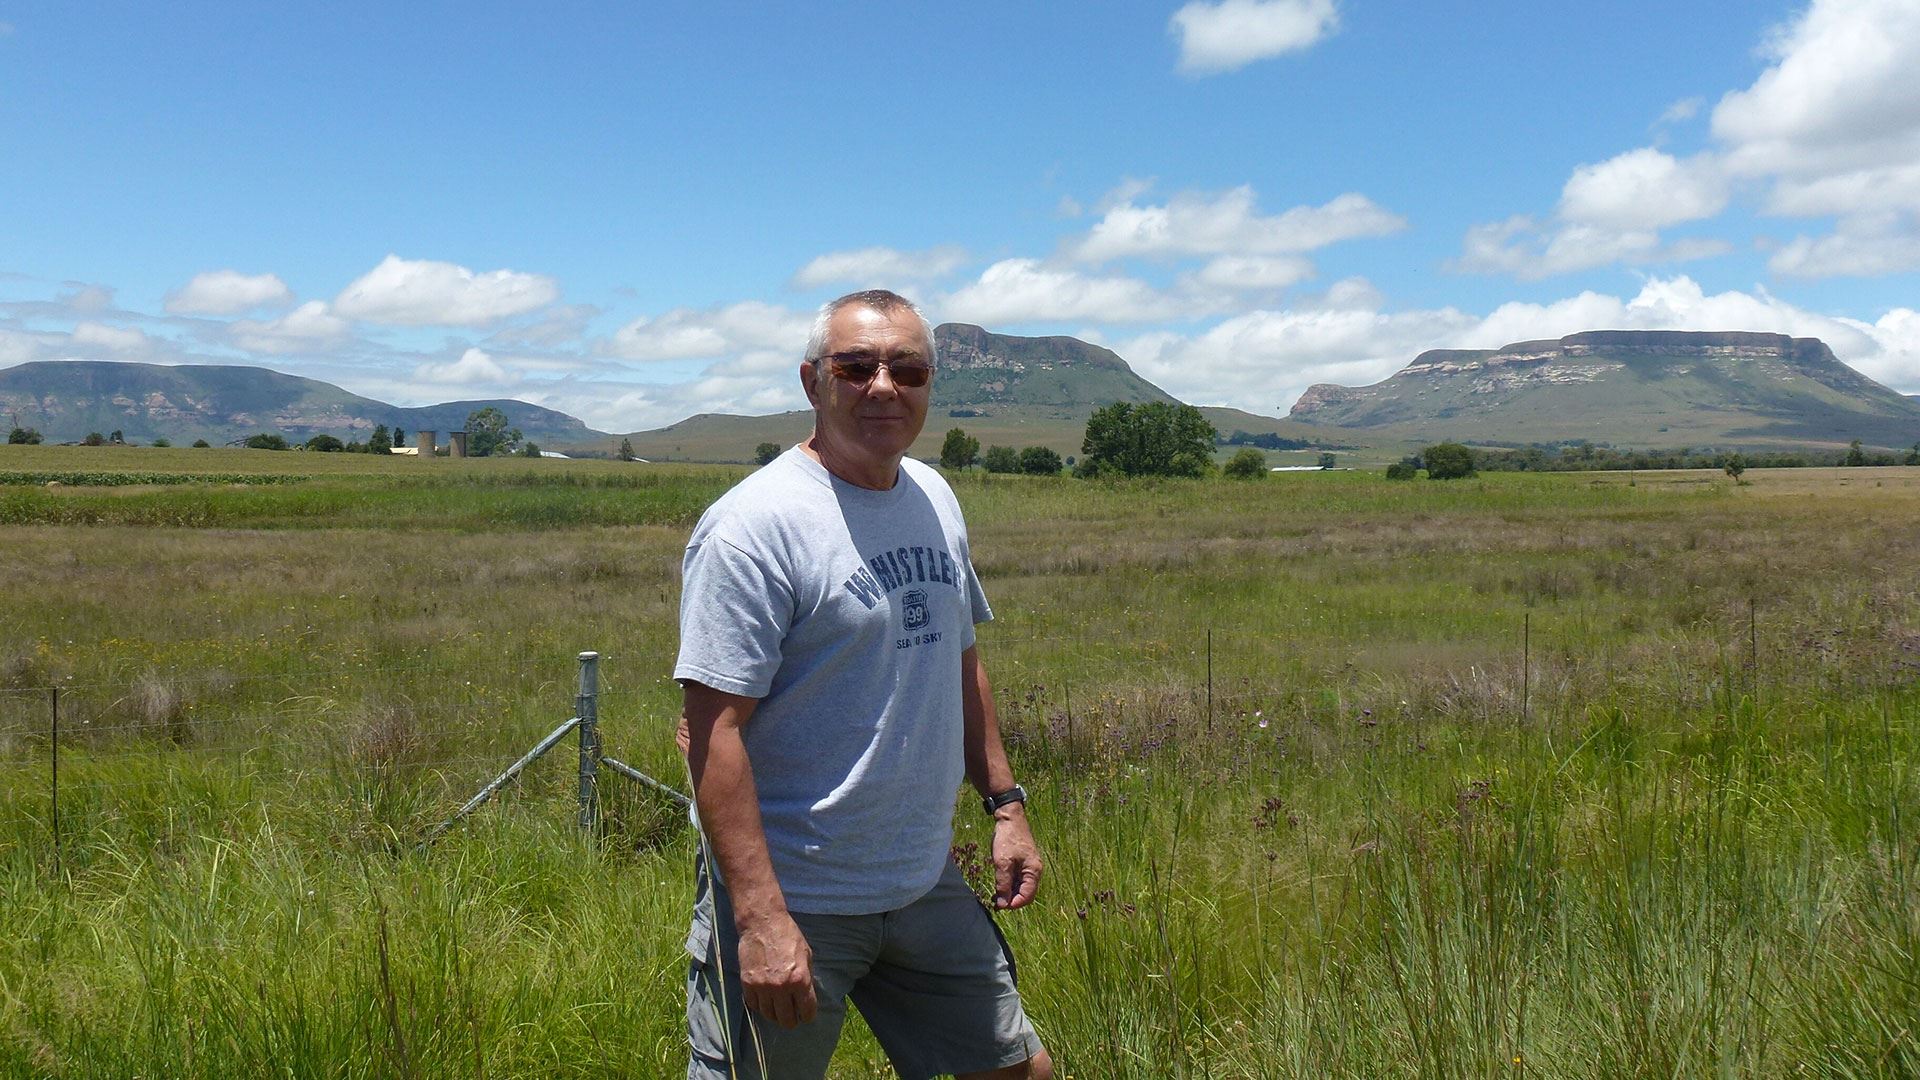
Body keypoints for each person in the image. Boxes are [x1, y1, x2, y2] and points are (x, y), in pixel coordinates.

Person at [675, 289, 1052, 1080]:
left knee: (1018, 1071)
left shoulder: (933, 497)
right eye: (856, 367)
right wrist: (760, 919)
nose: (884, 387)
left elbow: (960, 657)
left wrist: (1007, 807)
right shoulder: (754, 527)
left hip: (921, 881)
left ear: (929, 386)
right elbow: (712, 730)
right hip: (799, 894)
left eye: (907, 370)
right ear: (813, 381)